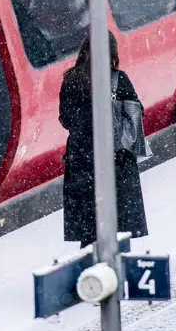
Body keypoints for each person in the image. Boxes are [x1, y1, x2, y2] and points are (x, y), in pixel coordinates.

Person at [59, 33, 148, 247]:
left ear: (84, 50)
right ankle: (116, 274)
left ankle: (90, 274)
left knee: (90, 233)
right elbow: (136, 113)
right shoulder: (118, 79)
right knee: (119, 229)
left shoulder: (71, 80)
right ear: (112, 53)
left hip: (82, 163)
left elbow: (65, 119)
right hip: (116, 162)